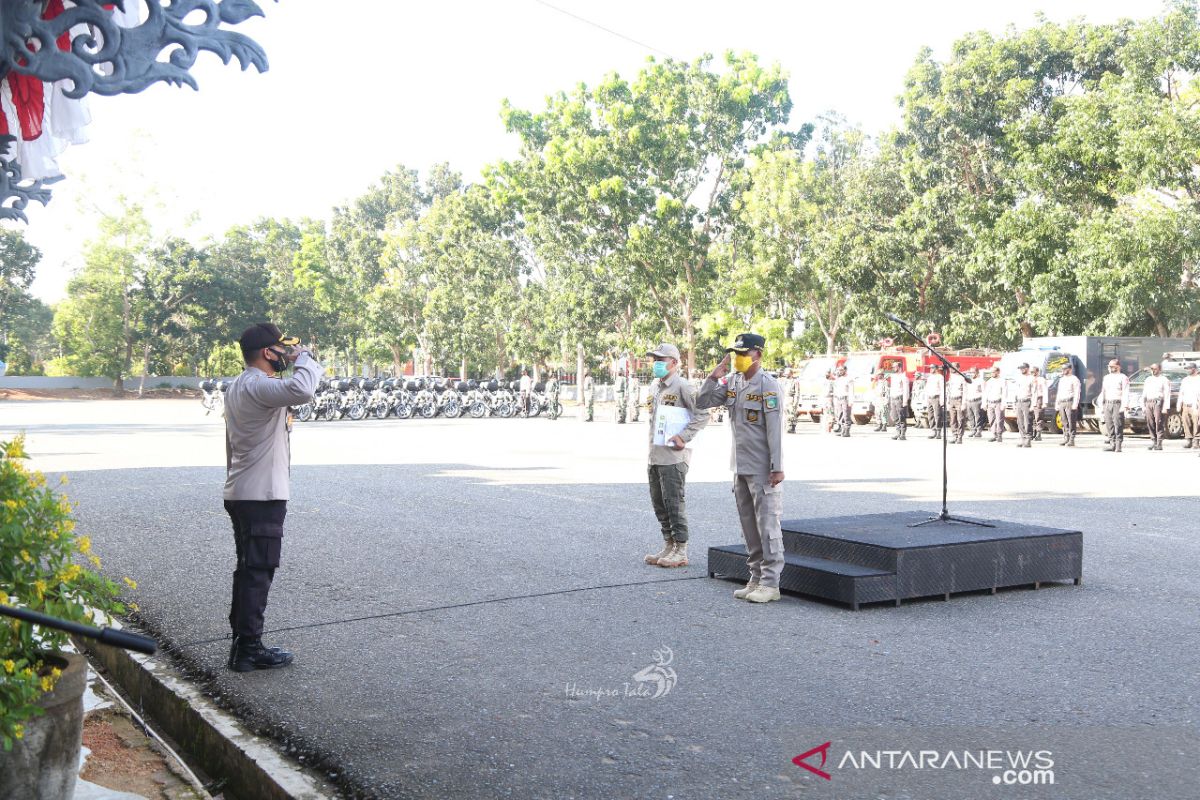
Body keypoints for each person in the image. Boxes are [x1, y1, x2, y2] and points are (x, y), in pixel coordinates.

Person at [223, 323, 322, 672]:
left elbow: (229, 442)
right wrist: (305, 357)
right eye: (282, 349)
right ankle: (248, 649)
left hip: (244, 491)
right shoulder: (259, 385)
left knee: (249, 569)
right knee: (258, 571)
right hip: (260, 495)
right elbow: (304, 390)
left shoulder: (239, 385)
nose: (287, 354)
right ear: (268, 352)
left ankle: (243, 643)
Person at [696, 333, 785, 604]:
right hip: (740, 465)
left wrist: (777, 466)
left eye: (742, 353)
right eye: (735, 353)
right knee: (749, 525)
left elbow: (775, 430)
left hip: (762, 466)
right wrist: (713, 375)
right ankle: (755, 577)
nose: (738, 358)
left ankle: (771, 583)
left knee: (767, 525)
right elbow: (703, 401)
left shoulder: (768, 385)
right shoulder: (733, 381)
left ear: (757, 354)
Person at [643, 343, 708, 569]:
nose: (657, 364)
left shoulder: (683, 387)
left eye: (662, 360)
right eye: (655, 360)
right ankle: (668, 544)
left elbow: (702, 414)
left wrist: (684, 436)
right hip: (656, 454)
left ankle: (681, 548)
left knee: (674, 503)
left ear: (674, 362)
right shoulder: (655, 387)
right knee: (659, 503)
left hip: (674, 458)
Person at [1100, 358, 1129, 452]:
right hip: (1108, 403)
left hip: (1117, 403)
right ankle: (1112, 444)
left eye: (1112, 366)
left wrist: (1125, 405)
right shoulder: (1106, 377)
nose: (1110, 368)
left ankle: (1118, 445)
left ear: (1118, 367)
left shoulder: (1123, 377)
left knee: (1118, 424)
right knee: (1109, 424)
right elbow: (1103, 391)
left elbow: (1126, 392)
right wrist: (1102, 404)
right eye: (1109, 366)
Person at [1141, 362, 1170, 451]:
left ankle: (1159, 442)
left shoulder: (1164, 379)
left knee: (1159, 422)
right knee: (1150, 422)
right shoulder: (1148, 379)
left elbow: (1167, 393)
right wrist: (1143, 405)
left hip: (1158, 402)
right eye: (1152, 369)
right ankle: (1153, 441)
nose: (1153, 371)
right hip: (1149, 402)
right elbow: (1144, 393)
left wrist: (1165, 407)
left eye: (1155, 369)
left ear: (1159, 370)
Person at [1056, 363, 1081, 447]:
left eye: (1065, 369)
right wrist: (1057, 403)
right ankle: (1066, 437)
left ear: (1070, 369)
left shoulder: (1074, 379)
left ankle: (1072, 439)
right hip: (1062, 402)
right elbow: (1059, 392)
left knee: (1071, 421)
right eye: (1062, 369)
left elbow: (1077, 392)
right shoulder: (1062, 379)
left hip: (1070, 401)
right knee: (1064, 421)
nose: (1063, 371)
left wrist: (1075, 404)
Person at [1177, 362, 1200, 448]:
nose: (1187, 370)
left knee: (1197, 423)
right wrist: (1179, 404)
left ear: (1193, 369)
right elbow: (1181, 392)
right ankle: (1188, 440)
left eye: (1189, 368)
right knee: (1186, 423)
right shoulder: (1185, 380)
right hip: (1186, 404)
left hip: (1196, 405)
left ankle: (1196, 440)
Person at [1011, 362, 1034, 447]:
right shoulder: (1018, 378)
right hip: (1019, 401)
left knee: (1027, 421)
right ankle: (1023, 438)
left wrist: (1033, 404)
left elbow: (1035, 393)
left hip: (1027, 401)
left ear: (1027, 368)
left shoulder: (1032, 378)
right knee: (1020, 422)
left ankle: (1028, 439)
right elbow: (1015, 391)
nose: (1021, 370)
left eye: (1023, 368)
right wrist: (1014, 403)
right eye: (1020, 368)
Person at [888, 362, 910, 441]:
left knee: (902, 417)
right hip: (893, 398)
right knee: (894, 416)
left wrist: (905, 401)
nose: (893, 368)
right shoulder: (893, 377)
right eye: (893, 367)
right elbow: (892, 388)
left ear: (899, 367)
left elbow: (906, 390)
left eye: (895, 367)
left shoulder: (903, 377)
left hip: (900, 399)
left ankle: (903, 434)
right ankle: (897, 432)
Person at [984, 366, 1005, 442]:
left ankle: (999, 435)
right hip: (990, 402)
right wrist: (984, 403)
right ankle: (994, 434)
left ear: (998, 372)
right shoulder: (989, 381)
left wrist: (1003, 404)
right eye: (991, 372)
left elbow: (1004, 393)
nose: (992, 373)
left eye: (994, 372)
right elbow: (986, 393)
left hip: (998, 402)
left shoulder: (1002, 381)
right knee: (991, 419)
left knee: (999, 419)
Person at [923, 365, 944, 439]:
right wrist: (926, 399)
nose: (931, 369)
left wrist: (942, 400)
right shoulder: (929, 377)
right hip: (929, 398)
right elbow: (927, 389)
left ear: (936, 369)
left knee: (937, 415)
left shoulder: (940, 377)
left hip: (936, 397)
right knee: (930, 415)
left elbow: (942, 389)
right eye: (930, 368)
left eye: (932, 368)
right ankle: (933, 430)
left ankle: (938, 431)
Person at [946, 362, 965, 443]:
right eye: (951, 367)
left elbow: (965, 391)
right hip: (951, 399)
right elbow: (948, 390)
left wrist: (964, 403)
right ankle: (954, 435)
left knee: (960, 419)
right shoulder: (951, 378)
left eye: (953, 367)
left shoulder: (962, 378)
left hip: (959, 399)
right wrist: (947, 401)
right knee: (953, 419)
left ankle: (960, 437)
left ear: (958, 368)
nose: (951, 369)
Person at [832, 364, 852, 437]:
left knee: (846, 415)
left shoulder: (849, 379)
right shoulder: (838, 379)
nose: (839, 371)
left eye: (841, 370)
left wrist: (851, 401)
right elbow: (836, 390)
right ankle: (842, 430)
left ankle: (847, 431)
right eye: (838, 370)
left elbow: (851, 391)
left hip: (845, 399)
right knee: (840, 415)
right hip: (838, 399)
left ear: (845, 370)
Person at [964, 366, 984, 438]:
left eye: (973, 372)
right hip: (969, 400)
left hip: (977, 400)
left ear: (977, 372)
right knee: (970, 416)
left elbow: (983, 391)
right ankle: (973, 430)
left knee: (977, 416)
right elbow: (966, 391)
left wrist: (983, 401)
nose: (972, 374)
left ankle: (979, 431)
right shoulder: (968, 380)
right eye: (971, 372)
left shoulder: (980, 380)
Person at [1030, 366, 1048, 442]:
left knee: (1039, 417)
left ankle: (1038, 434)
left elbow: (1045, 391)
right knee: (1032, 417)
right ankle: (1033, 433)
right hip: (1032, 399)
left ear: (1038, 372)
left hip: (1039, 398)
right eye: (1031, 372)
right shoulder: (1030, 380)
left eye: (1034, 372)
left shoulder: (1041, 380)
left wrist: (1045, 402)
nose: (1033, 373)